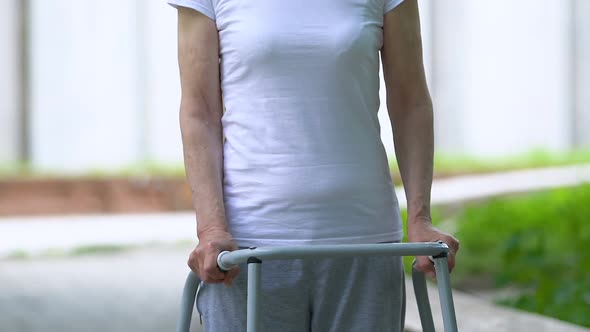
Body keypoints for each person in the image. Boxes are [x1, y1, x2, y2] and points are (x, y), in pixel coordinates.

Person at [169, 0, 459, 330]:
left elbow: (411, 100)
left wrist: (420, 218)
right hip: (246, 248)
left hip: (364, 242)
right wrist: (210, 229)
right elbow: (199, 111)